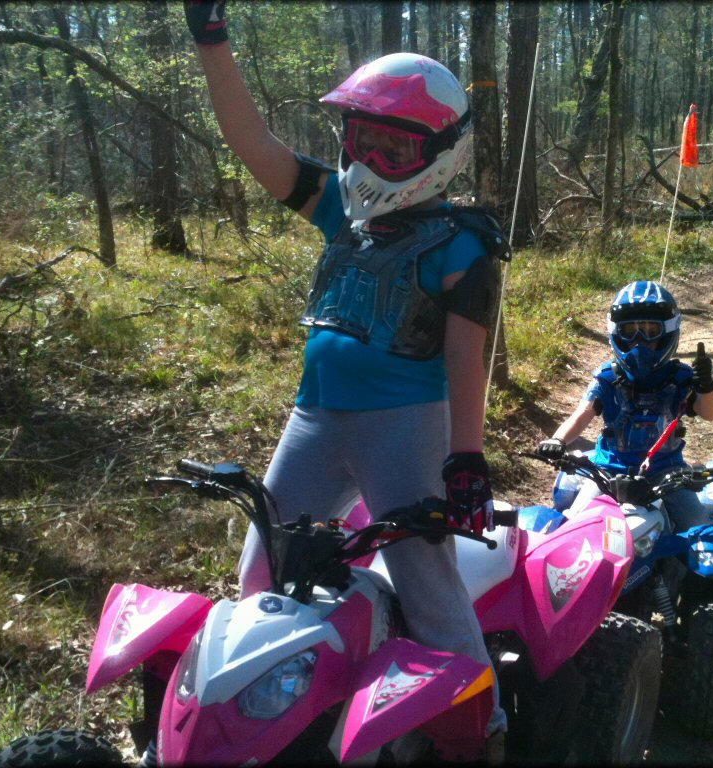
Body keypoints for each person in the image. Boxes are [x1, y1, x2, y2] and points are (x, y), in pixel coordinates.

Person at [184, 1, 508, 758]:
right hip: (316, 420)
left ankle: (481, 729)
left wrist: (466, 457)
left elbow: (469, 356)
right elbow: (250, 140)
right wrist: (212, 42)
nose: (372, 163)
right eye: (364, 141)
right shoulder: (339, 208)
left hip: (405, 427)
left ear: (441, 151)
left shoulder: (464, 244)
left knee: (427, 583)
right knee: (262, 571)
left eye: (397, 149)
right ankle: (273, 710)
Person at [537, 280, 713, 531]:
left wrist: (706, 386)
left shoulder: (679, 378)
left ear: (667, 332)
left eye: (649, 330)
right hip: (608, 471)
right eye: (630, 331)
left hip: (667, 472)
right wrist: (558, 440)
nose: (639, 340)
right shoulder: (607, 377)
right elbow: (582, 414)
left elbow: (709, 413)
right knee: (571, 527)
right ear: (617, 334)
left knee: (699, 527)